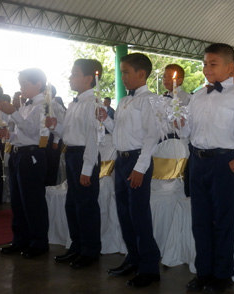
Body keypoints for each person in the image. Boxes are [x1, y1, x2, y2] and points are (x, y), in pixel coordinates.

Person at [179, 43, 234, 293]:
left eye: (212, 64)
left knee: (223, 220)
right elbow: (187, 131)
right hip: (197, 161)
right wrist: (180, 123)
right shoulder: (198, 95)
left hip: (223, 162)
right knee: (200, 220)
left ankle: (222, 274)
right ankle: (204, 272)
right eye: (204, 63)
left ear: (230, 67)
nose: (206, 68)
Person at [99, 53, 160, 288]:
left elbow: (151, 136)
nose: (122, 77)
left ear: (141, 74)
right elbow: (118, 132)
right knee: (124, 212)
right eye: (122, 72)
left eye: (125, 72)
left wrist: (141, 167)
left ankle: (149, 266)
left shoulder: (149, 100)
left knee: (139, 215)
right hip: (123, 160)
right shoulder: (124, 101)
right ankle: (133, 258)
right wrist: (106, 119)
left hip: (137, 160)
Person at [47, 59, 102, 269]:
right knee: (72, 203)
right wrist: (55, 128)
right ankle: (76, 246)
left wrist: (87, 168)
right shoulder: (73, 104)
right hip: (71, 155)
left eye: (75, 73)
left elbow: (93, 139)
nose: (70, 77)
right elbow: (68, 135)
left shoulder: (93, 104)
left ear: (89, 79)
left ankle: (90, 250)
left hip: (84, 157)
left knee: (86, 205)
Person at [0, 68, 50, 258]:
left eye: (25, 84)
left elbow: (35, 133)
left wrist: (14, 113)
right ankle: (21, 239)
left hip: (32, 156)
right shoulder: (26, 106)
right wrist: (9, 135)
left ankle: (39, 242)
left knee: (32, 200)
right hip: (19, 154)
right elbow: (22, 134)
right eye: (20, 84)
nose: (21, 88)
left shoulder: (44, 105)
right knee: (18, 201)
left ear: (38, 84)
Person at [45, 85, 65, 186]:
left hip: (53, 137)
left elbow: (60, 123)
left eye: (45, 92)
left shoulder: (57, 106)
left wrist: (56, 141)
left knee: (52, 164)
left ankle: (50, 187)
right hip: (44, 137)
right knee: (45, 164)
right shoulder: (43, 106)